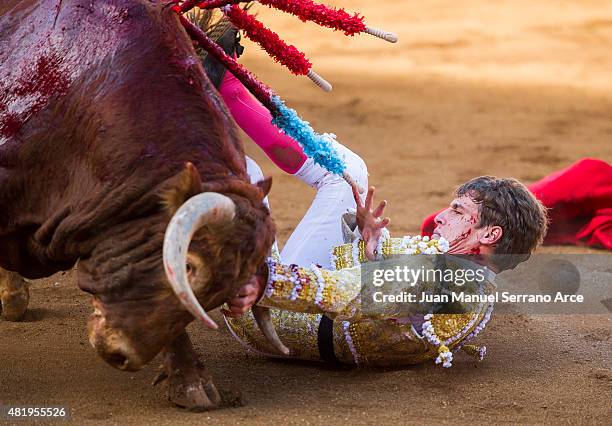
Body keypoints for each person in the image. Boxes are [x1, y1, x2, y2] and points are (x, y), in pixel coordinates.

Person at [223, 174, 548, 367]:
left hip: (265, 321)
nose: (439, 217)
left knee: (339, 176)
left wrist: (264, 282)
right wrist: (371, 247)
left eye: (458, 210)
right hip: (303, 336)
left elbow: (343, 293)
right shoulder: (475, 289)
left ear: (490, 235)